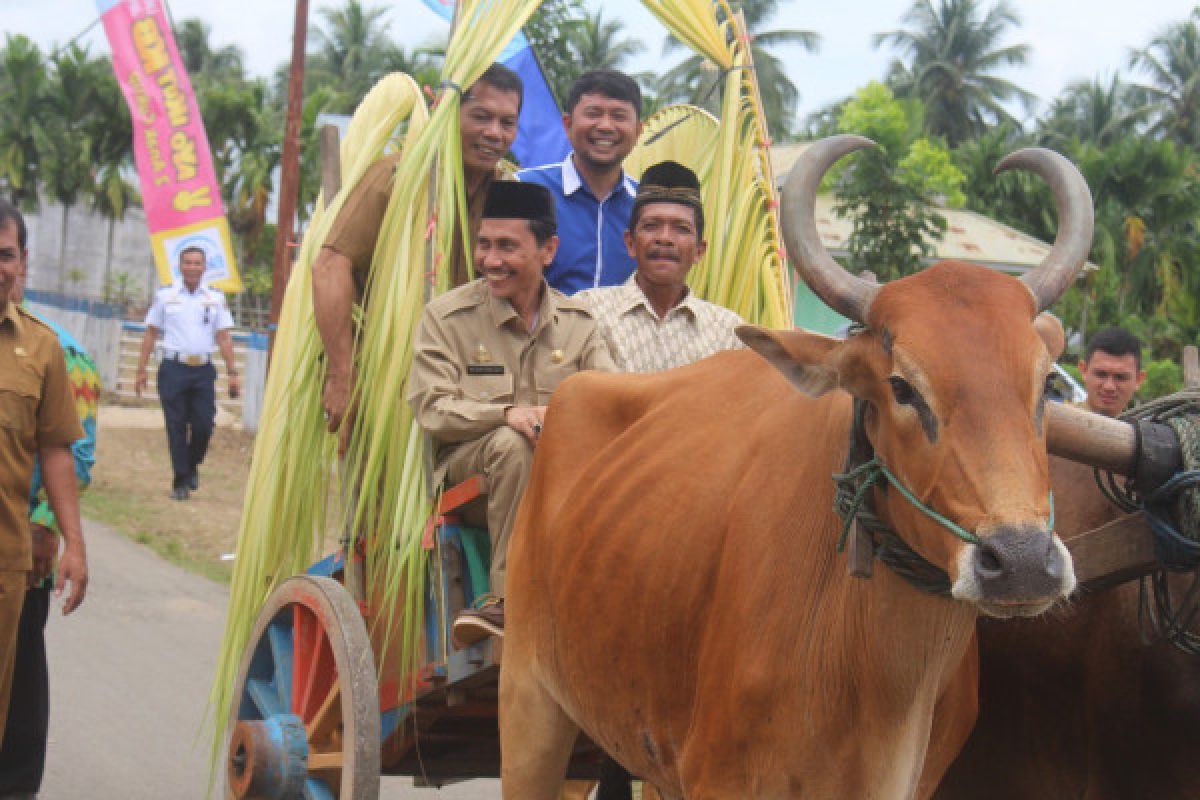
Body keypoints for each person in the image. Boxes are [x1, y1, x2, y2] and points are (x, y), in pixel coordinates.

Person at [407, 181, 615, 645]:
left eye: (507, 246)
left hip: (564, 486)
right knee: (514, 445)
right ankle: (507, 601)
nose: (491, 260)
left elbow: (612, 401)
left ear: (548, 250)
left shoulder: (580, 328)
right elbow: (432, 407)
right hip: (470, 481)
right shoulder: (447, 317)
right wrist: (507, 414)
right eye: (485, 245)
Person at [315, 64, 523, 435]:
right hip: (388, 387)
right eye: (481, 117)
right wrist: (341, 375)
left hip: (472, 392)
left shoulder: (511, 196)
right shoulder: (397, 178)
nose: (494, 133)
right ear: (447, 111)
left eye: (507, 123)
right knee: (385, 492)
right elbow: (331, 266)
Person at [0, 238, 99, 796]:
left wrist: (49, 529)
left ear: (21, 264)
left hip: (20, 549)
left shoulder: (59, 350)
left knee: (20, 678)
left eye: (5, 256)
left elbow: (70, 453)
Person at [578, 160, 744, 373]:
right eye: (651, 226)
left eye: (681, 229)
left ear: (699, 251)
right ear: (630, 243)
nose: (665, 238)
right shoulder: (588, 312)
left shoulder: (727, 332)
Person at [517, 69, 644, 295]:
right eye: (593, 113)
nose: (605, 126)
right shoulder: (525, 189)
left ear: (638, 131)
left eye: (619, 116)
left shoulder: (646, 206)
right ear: (567, 124)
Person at [135, 246, 240, 500]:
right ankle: (180, 481)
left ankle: (192, 464)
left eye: (197, 263)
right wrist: (141, 369)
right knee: (176, 426)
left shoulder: (214, 298)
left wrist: (233, 372)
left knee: (204, 424)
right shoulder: (166, 296)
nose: (193, 267)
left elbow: (224, 337)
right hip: (173, 368)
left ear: (204, 268)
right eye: (188, 263)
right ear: (180, 267)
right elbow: (151, 332)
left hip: (203, 370)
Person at [1079, 326, 1146, 417]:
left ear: (1138, 380)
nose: (1109, 387)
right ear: (1084, 371)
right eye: (1101, 374)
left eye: (1120, 377)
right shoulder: (1057, 422)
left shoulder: (1146, 430)